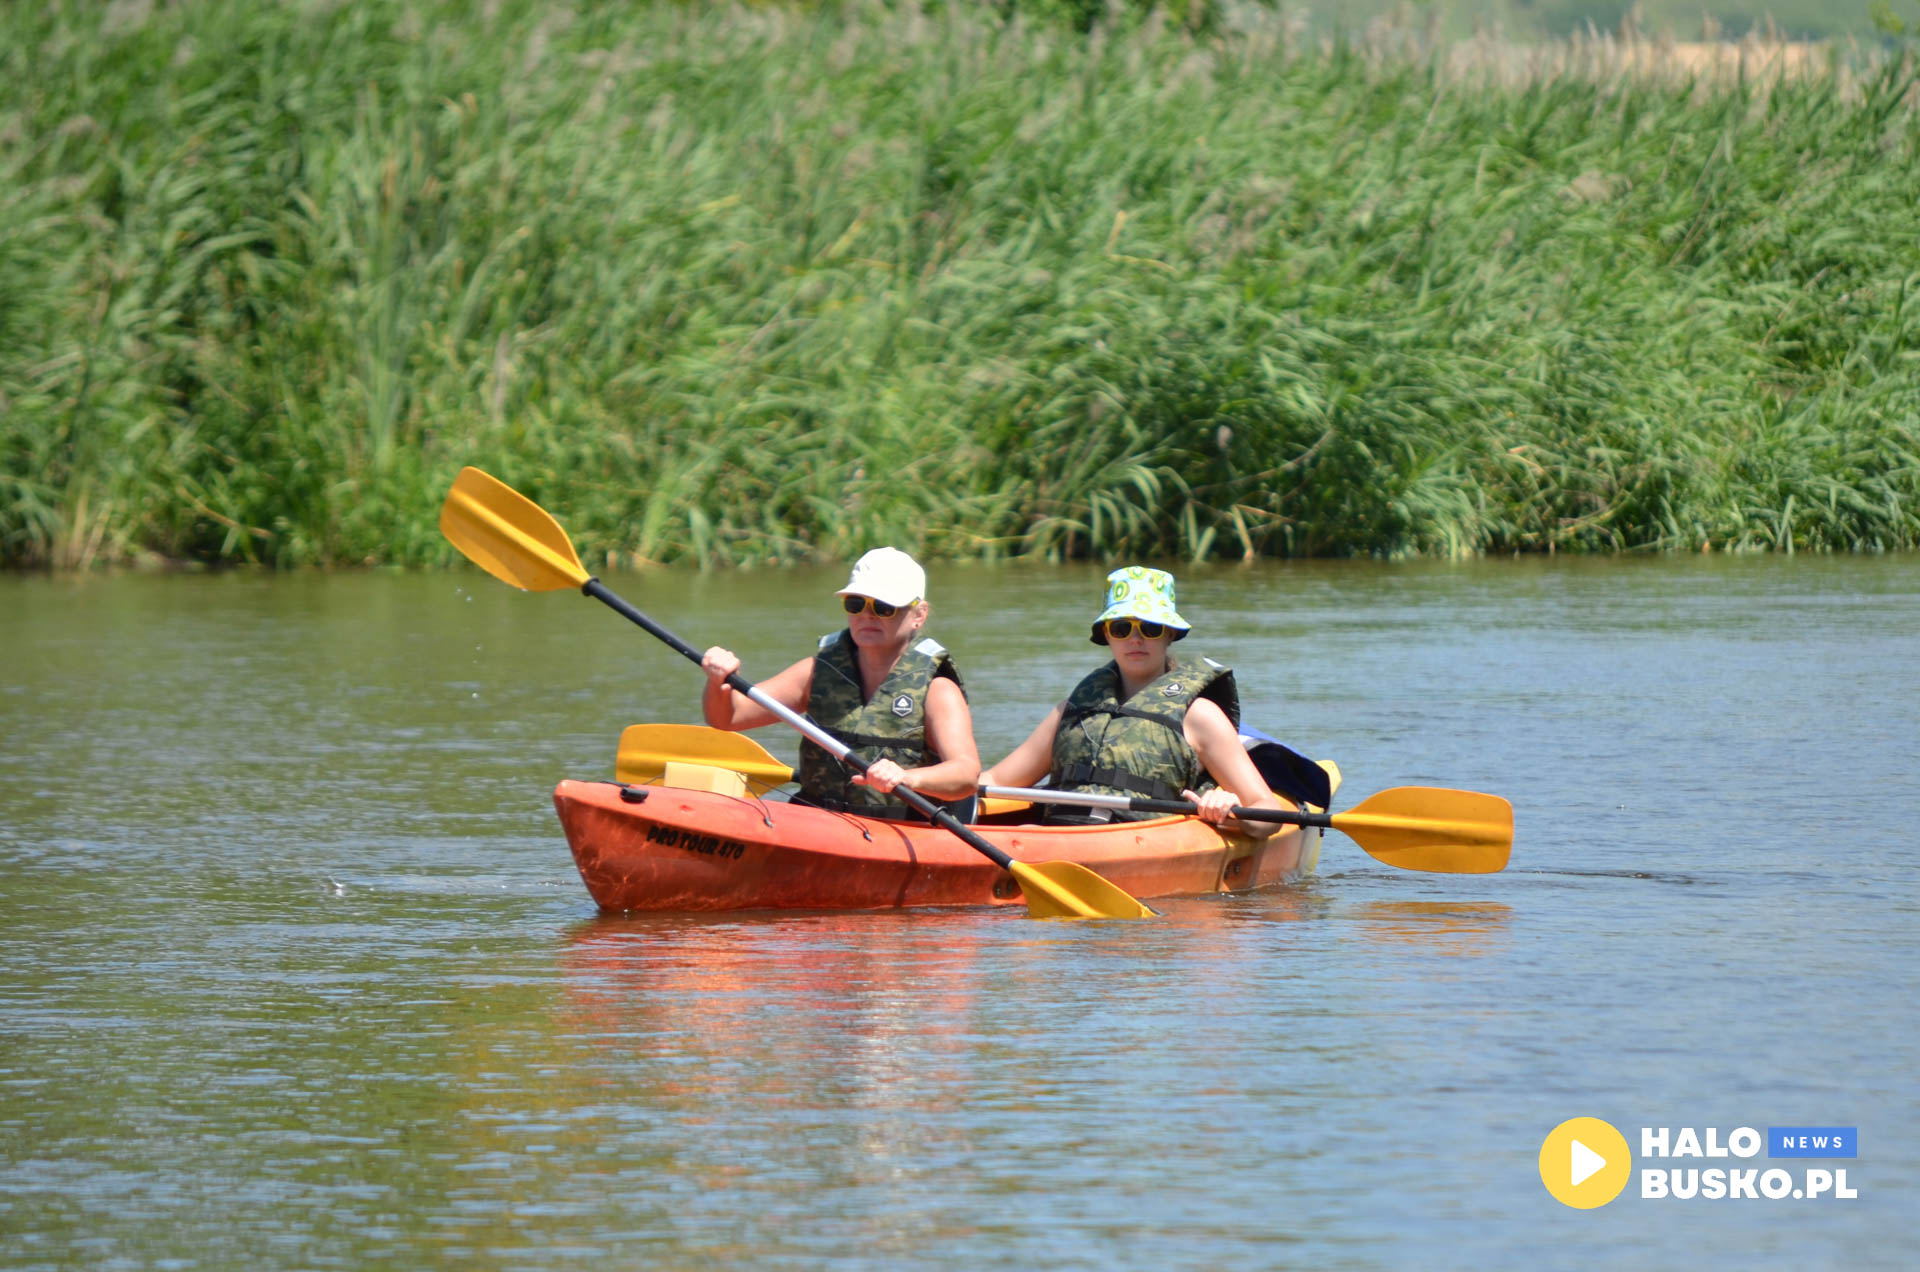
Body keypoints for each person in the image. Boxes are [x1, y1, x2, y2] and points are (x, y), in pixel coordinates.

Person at [979, 566, 1296, 836]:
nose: (1135, 638)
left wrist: (1228, 810)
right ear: (1107, 634)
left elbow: (1265, 810)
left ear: (1169, 634)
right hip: (1057, 837)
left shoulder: (1199, 716)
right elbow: (994, 781)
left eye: (1150, 627)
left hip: (1140, 842)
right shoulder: (1070, 713)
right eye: (1121, 627)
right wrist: (941, 787)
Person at [699, 547, 980, 819]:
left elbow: (966, 774)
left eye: (883, 607)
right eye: (856, 604)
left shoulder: (937, 690)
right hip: (819, 821)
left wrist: (907, 777)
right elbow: (728, 717)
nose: (867, 615)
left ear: (919, 615)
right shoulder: (816, 672)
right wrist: (718, 682)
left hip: (901, 829)